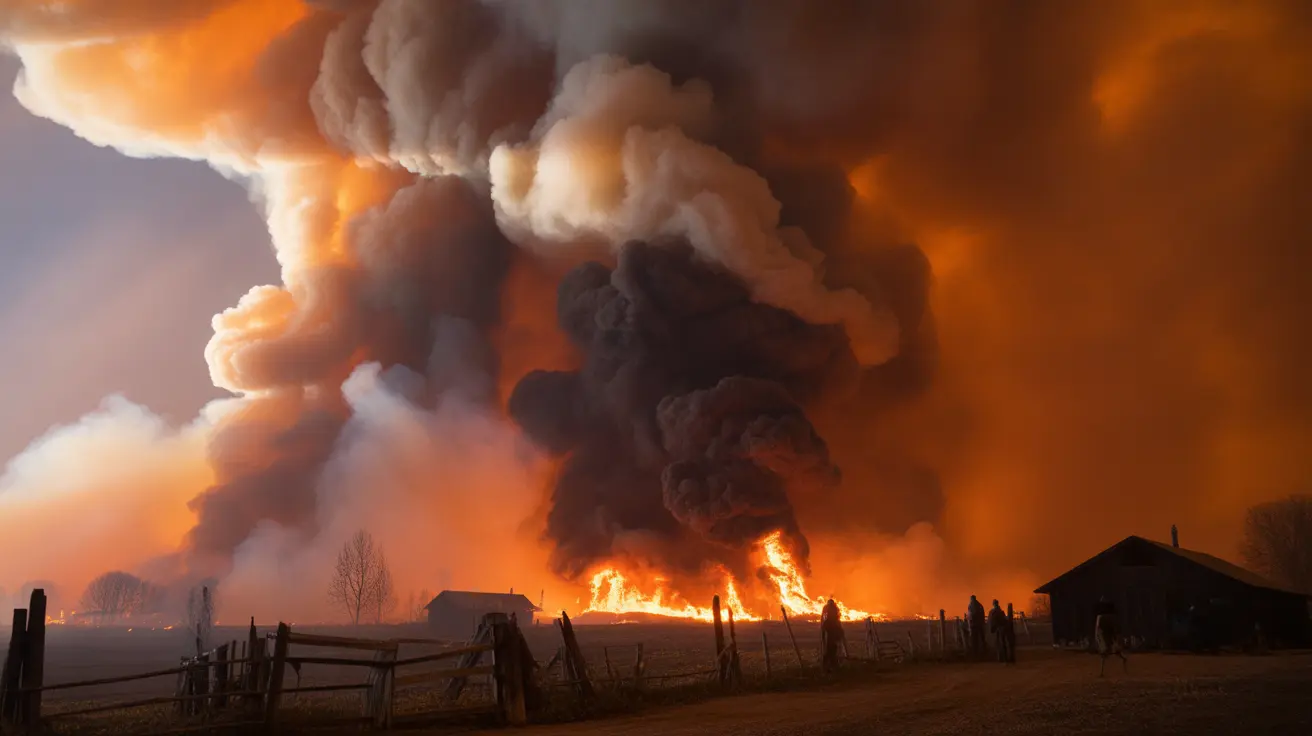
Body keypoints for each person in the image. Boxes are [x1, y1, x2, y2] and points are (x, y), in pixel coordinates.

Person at [1094, 596, 1127, 676]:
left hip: (1105, 626)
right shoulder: (1111, 611)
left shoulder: (1102, 613)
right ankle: (1123, 661)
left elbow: (1099, 627)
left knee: (1104, 652)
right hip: (1108, 627)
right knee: (1112, 650)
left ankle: (1101, 672)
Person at [821, 598, 844, 672]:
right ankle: (831, 665)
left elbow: (824, 616)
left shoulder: (827, 608)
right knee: (832, 650)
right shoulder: (834, 608)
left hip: (831, 632)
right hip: (833, 632)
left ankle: (828, 666)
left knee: (830, 650)